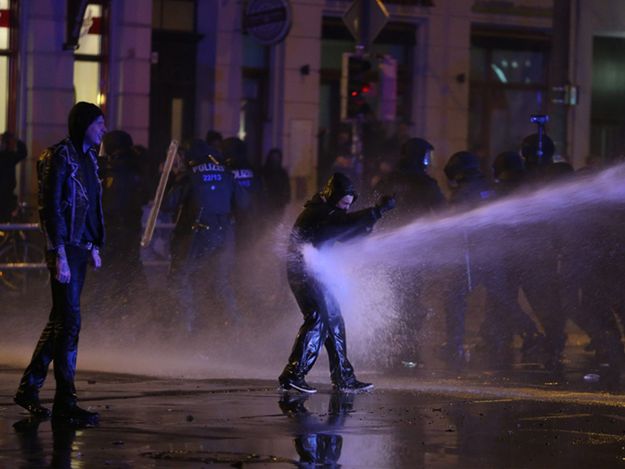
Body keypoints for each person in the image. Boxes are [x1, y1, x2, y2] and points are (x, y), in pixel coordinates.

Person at [14, 102, 106, 422]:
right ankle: (65, 401)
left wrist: (94, 243)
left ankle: (29, 388)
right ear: (83, 125)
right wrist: (59, 253)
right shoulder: (58, 156)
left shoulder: (90, 158)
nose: (103, 130)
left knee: (61, 322)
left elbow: (92, 202)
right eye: (98, 124)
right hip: (65, 250)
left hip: (80, 248)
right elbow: (50, 208)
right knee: (69, 323)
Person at [278, 172, 396, 393]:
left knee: (333, 319)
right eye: (343, 203)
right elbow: (341, 224)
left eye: (348, 205)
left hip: (314, 273)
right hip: (303, 273)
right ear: (332, 196)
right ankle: (293, 375)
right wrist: (376, 212)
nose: (345, 208)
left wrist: (368, 225)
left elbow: (346, 233)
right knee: (318, 318)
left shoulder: (330, 212)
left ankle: (343, 377)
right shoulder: (319, 212)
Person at [166, 139, 247, 330]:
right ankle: (235, 327)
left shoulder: (189, 176)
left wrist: (171, 178)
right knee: (220, 281)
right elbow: (244, 203)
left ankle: (186, 326)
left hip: (197, 235)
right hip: (224, 235)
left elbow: (167, 204)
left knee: (182, 276)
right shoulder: (227, 174)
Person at [0, 131, 27, 222]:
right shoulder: (9, 156)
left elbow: (23, 153)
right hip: (7, 193)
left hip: (7, 194)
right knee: (5, 218)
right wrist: (15, 140)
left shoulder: (9, 156)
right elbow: (23, 152)